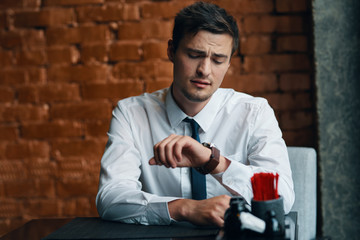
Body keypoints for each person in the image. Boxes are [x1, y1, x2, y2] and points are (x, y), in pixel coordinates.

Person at [96, 1, 294, 227]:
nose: (205, 70)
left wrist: (214, 163)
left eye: (218, 60)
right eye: (194, 55)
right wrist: (185, 208)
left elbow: (283, 198)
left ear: (229, 63)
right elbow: (110, 198)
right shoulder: (131, 114)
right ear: (171, 51)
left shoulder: (254, 113)